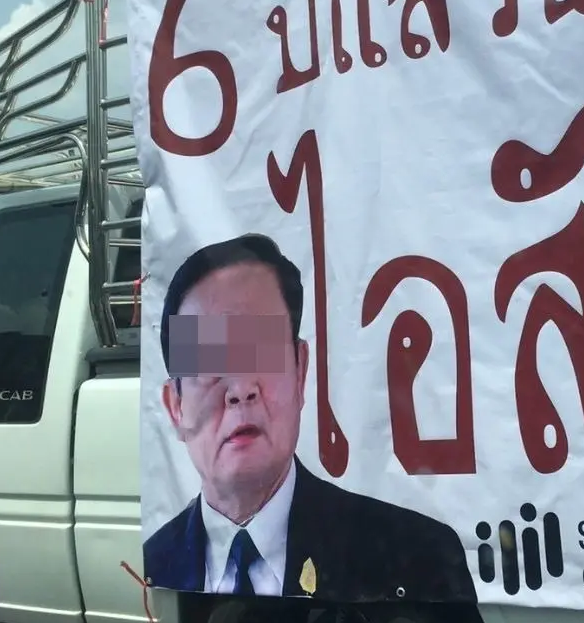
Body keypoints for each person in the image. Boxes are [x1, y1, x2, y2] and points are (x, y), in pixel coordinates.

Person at [142, 232, 477, 603]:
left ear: (300, 371)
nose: (241, 389)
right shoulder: (152, 569)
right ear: (175, 407)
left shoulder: (415, 558)